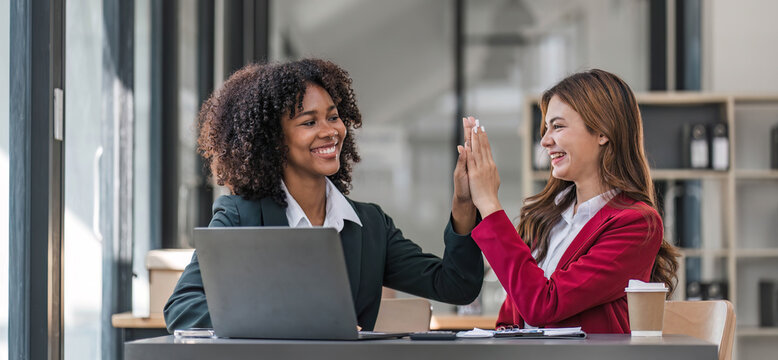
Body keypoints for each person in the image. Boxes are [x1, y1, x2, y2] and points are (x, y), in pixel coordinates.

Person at [163, 59, 484, 333]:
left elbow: (456, 285)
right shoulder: (241, 217)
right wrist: (294, 325)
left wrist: (463, 204)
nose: (331, 130)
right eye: (309, 122)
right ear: (274, 139)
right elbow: (183, 308)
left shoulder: (370, 226)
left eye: (333, 116)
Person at [457, 69, 678, 333]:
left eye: (558, 126)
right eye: (546, 128)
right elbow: (510, 319)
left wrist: (490, 204)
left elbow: (543, 306)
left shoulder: (636, 223)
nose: (545, 140)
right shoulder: (544, 219)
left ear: (602, 132)